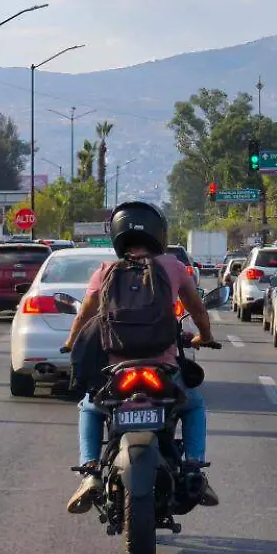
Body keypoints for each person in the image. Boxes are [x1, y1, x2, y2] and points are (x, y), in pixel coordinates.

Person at [60, 201, 218, 514]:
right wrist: (206, 337)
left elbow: (87, 311)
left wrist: (70, 341)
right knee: (194, 404)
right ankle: (194, 468)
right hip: (163, 368)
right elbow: (197, 308)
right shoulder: (172, 266)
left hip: (117, 370)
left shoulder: (106, 271)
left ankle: (90, 472)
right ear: (159, 233)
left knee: (91, 407)